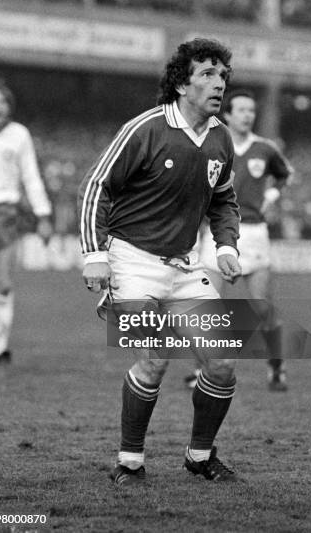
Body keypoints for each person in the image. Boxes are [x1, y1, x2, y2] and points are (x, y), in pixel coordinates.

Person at [78, 38, 243, 486]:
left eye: (222, 75)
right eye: (207, 74)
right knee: (155, 357)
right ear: (180, 84)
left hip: (187, 266)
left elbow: (224, 199)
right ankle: (130, 462)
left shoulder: (221, 138)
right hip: (131, 262)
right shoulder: (146, 129)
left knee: (223, 362)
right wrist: (95, 255)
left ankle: (199, 456)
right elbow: (96, 187)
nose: (218, 84)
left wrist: (226, 246)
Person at [188, 89, 293, 391]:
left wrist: (271, 195)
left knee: (263, 309)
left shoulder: (266, 149)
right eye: (242, 110)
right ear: (228, 115)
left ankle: (276, 368)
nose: (248, 115)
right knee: (205, 306)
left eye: (251, 110)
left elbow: (285, 175)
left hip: (254, 233)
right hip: (218, 232)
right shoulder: (211, 144)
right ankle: (201, 371)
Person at [0, 80, 52, 363]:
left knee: (3, 283)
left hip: (5, 213)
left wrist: (43, 215)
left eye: (3, 102)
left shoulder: (18, 135)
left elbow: (31, 176)